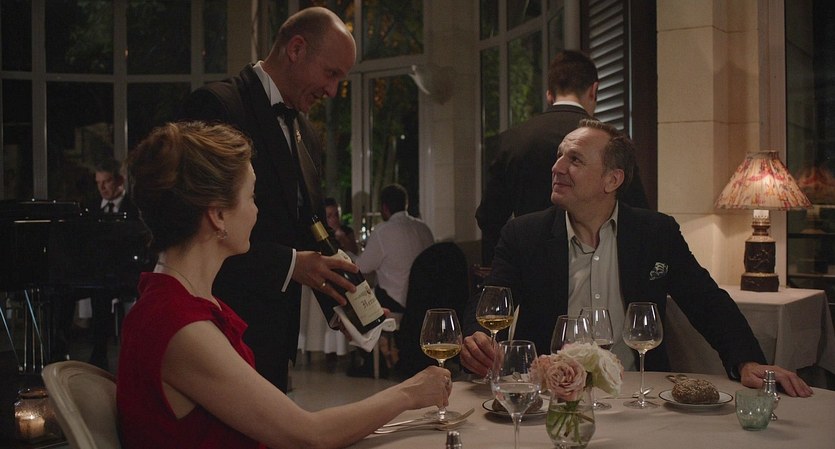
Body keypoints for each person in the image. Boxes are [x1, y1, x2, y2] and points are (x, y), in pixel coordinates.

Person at [117, 121, 452, 449]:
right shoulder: (180, 326)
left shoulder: (179, 299)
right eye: (251, 197)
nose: (256, 211)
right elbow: (311, 435)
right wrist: (409, 392)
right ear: (217, 215)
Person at [460, 119, 814, 398]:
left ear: (612, 180)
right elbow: (491, 301)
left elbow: (706, 301)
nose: (557, 167)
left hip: (637, 391)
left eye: (575, 159)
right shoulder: (523, 234)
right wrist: (477, 340)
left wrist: (747, 361)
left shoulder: (656, 233)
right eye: (559, 155)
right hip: (549, 395)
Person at [177, 6, 358, 391]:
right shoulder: (217, 106)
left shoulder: (307, 132)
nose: (332, 91)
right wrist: (290, 265)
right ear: (296, 49)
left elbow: (311, 227)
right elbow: (197, 228)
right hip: (218, 328)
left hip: (277, 334)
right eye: (331, 74)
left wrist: (351, 306)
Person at [475, 50, 649, 265]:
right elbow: (637, 213)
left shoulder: (511, 140)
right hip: (597, 263)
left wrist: (512, 261)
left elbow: (488, 217)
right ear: (594, 90)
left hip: (530, 264)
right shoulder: (613, 143)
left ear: (549, 94)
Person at [84, 157, 140, 369]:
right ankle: (98, 355)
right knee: (95, 293)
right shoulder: (90, 208)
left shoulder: (134, 208)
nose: (102, 188)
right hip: (101, 274)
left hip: (130, 271)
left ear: (120, 181)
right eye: (98, 183)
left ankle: (133, 356)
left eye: (106, 181)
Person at [355, 184, 435, 315]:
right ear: (406, 204)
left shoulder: (382, 231)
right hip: (424, 300)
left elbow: (362, 267)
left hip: (396, 302)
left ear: (384, 207)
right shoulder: (424, 228)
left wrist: (348, 253)